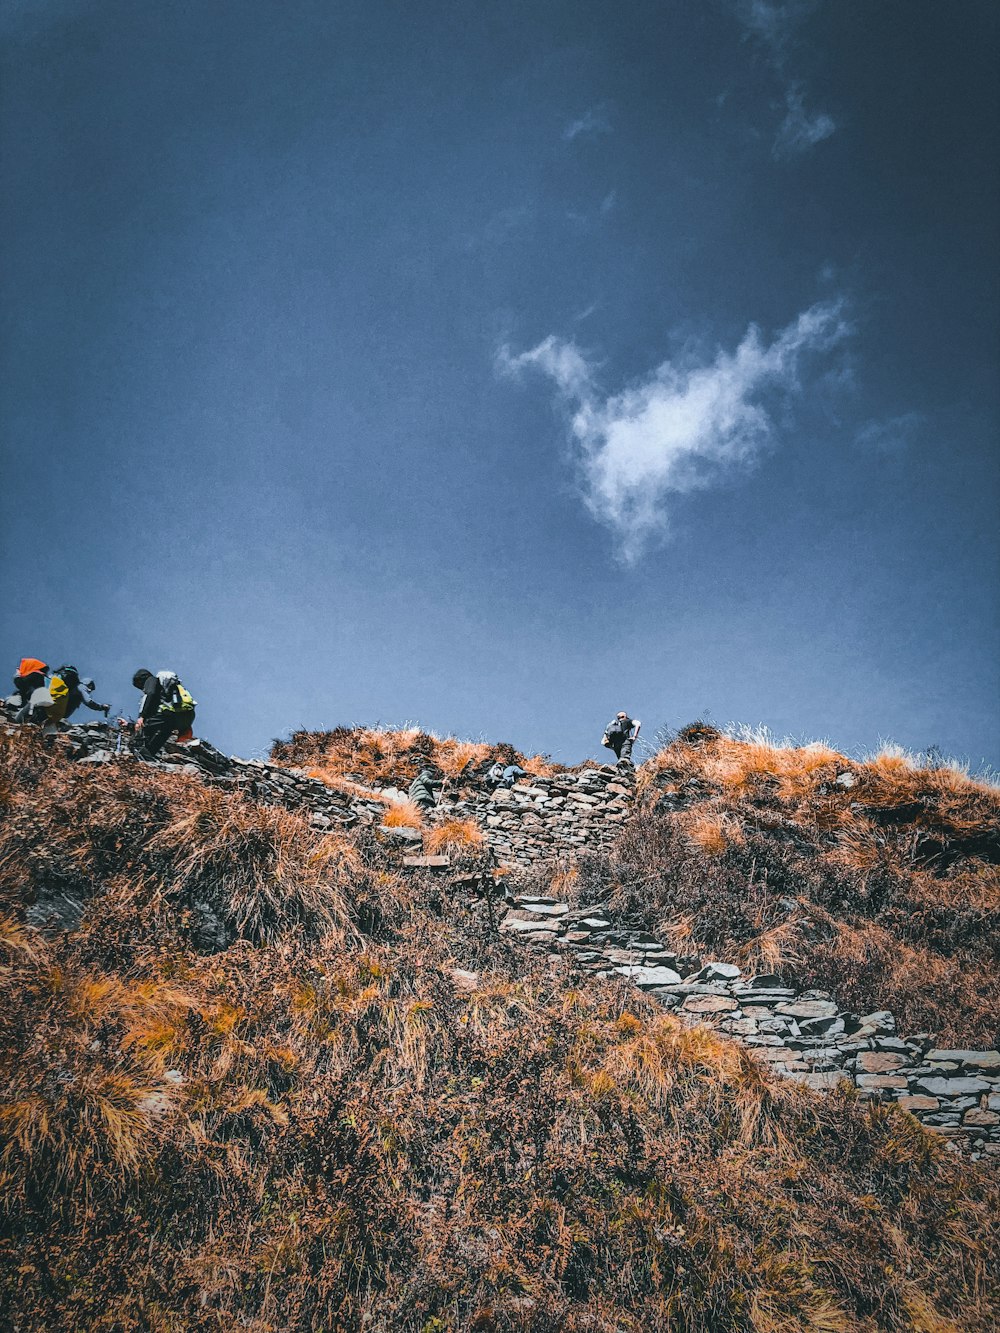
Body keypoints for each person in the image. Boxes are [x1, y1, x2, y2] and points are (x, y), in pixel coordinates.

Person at [130, 669, 197, 760]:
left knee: (137, 739)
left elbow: (151, 694)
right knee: (155, 741)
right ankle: (149, 761)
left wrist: (141, 716)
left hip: (168, 714)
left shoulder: (151, 680)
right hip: (184, 716)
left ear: (141, 680)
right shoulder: (167, 689)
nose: (142, 689)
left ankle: (143, 761)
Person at [7, 658, 50, 723]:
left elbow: (21, 684)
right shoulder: (45, 678)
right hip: (42, 711)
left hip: (34, 708)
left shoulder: (36, 674)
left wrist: (17, 676)